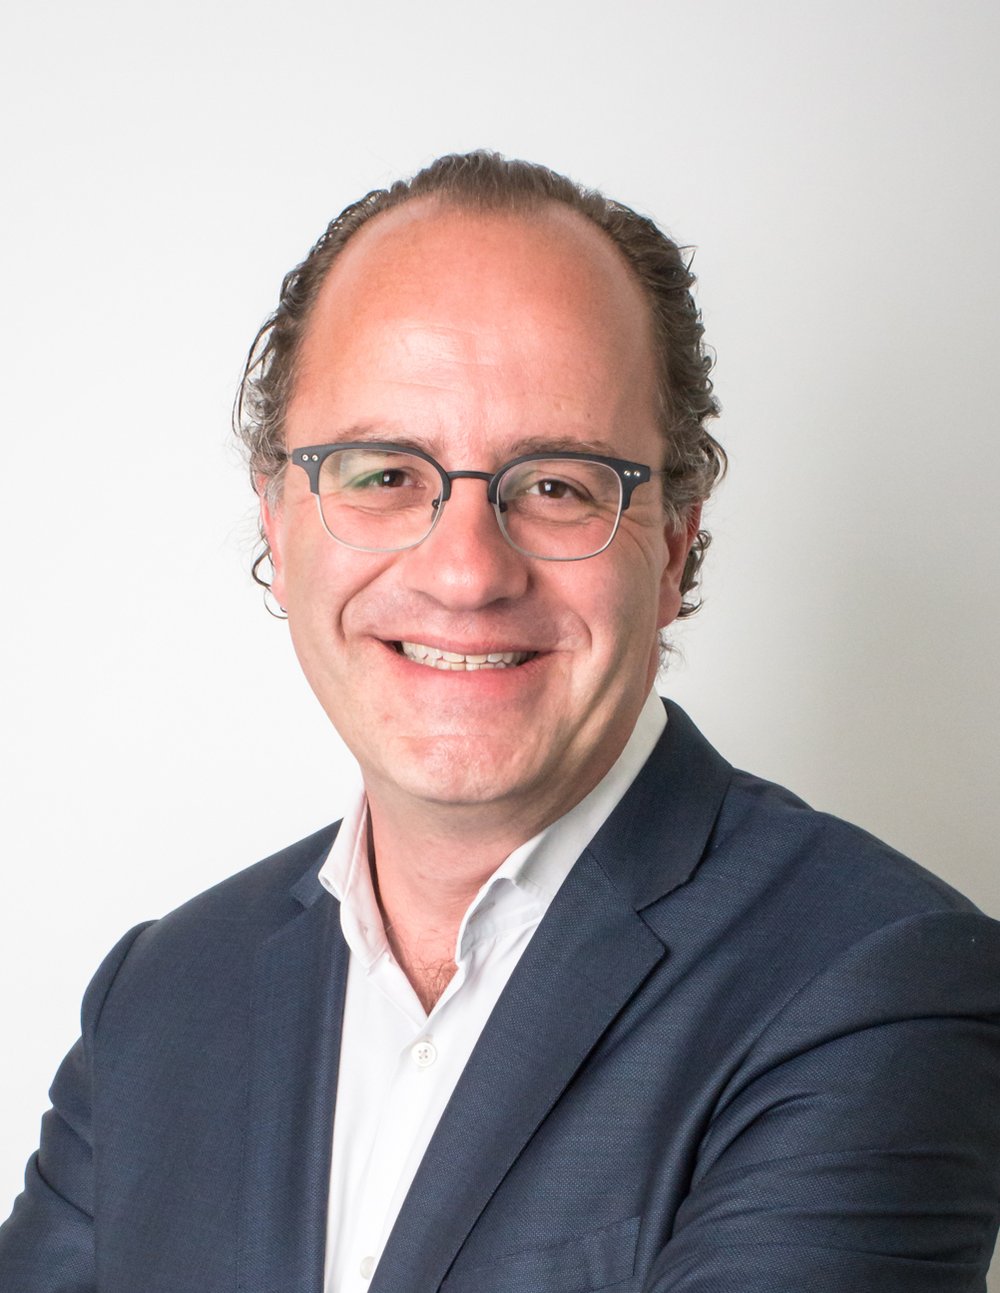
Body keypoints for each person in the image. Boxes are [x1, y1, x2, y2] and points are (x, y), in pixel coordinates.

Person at [2, 151, 998, 1292]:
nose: (466, 572)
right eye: (384, 474)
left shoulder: (873, 982)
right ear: (278, 520)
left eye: (559, 483)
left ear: (673, 548)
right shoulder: (160, 997)